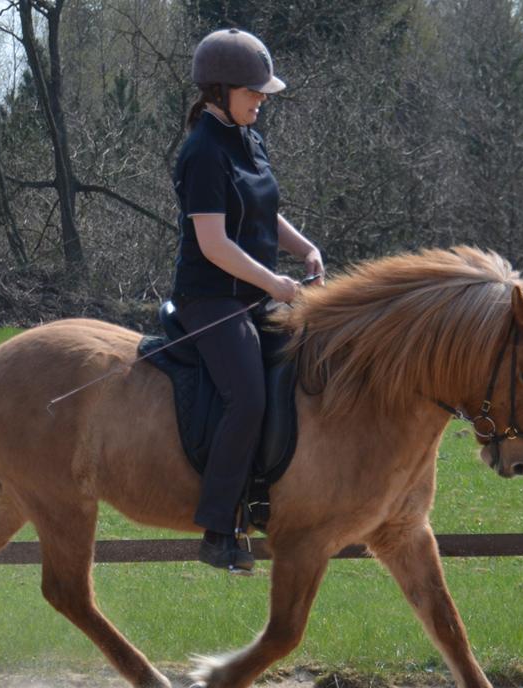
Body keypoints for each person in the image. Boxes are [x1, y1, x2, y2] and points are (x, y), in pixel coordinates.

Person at [172, 28, 324, 573]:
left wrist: (302, 246)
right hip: (210, 300)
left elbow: (263, 211)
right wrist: (274, 284)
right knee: (249, 398)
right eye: (254, 92)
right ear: (219, 91)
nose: (263, 100)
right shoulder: (203, 153)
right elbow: (213, 245)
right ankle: (218, 528)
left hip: (252, 296)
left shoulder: (248, 138)